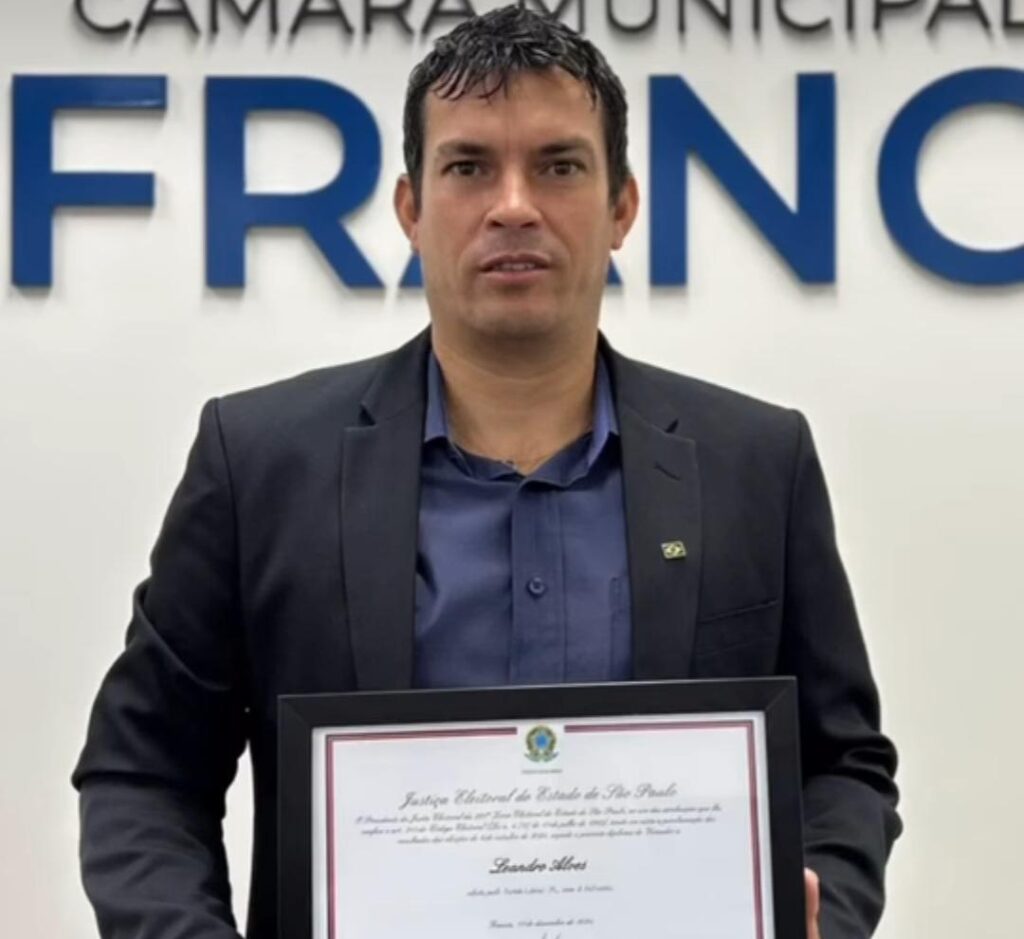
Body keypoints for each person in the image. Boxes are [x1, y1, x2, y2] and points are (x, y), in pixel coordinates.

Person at [73, 7, 900, 939]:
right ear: (411, 210)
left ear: (622, 207)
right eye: (468, 167)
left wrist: (820, 908)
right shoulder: (259, 461)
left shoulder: (756, 462)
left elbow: (843, 764)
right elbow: (143, 773)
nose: (513, 205)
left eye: (559, 165)